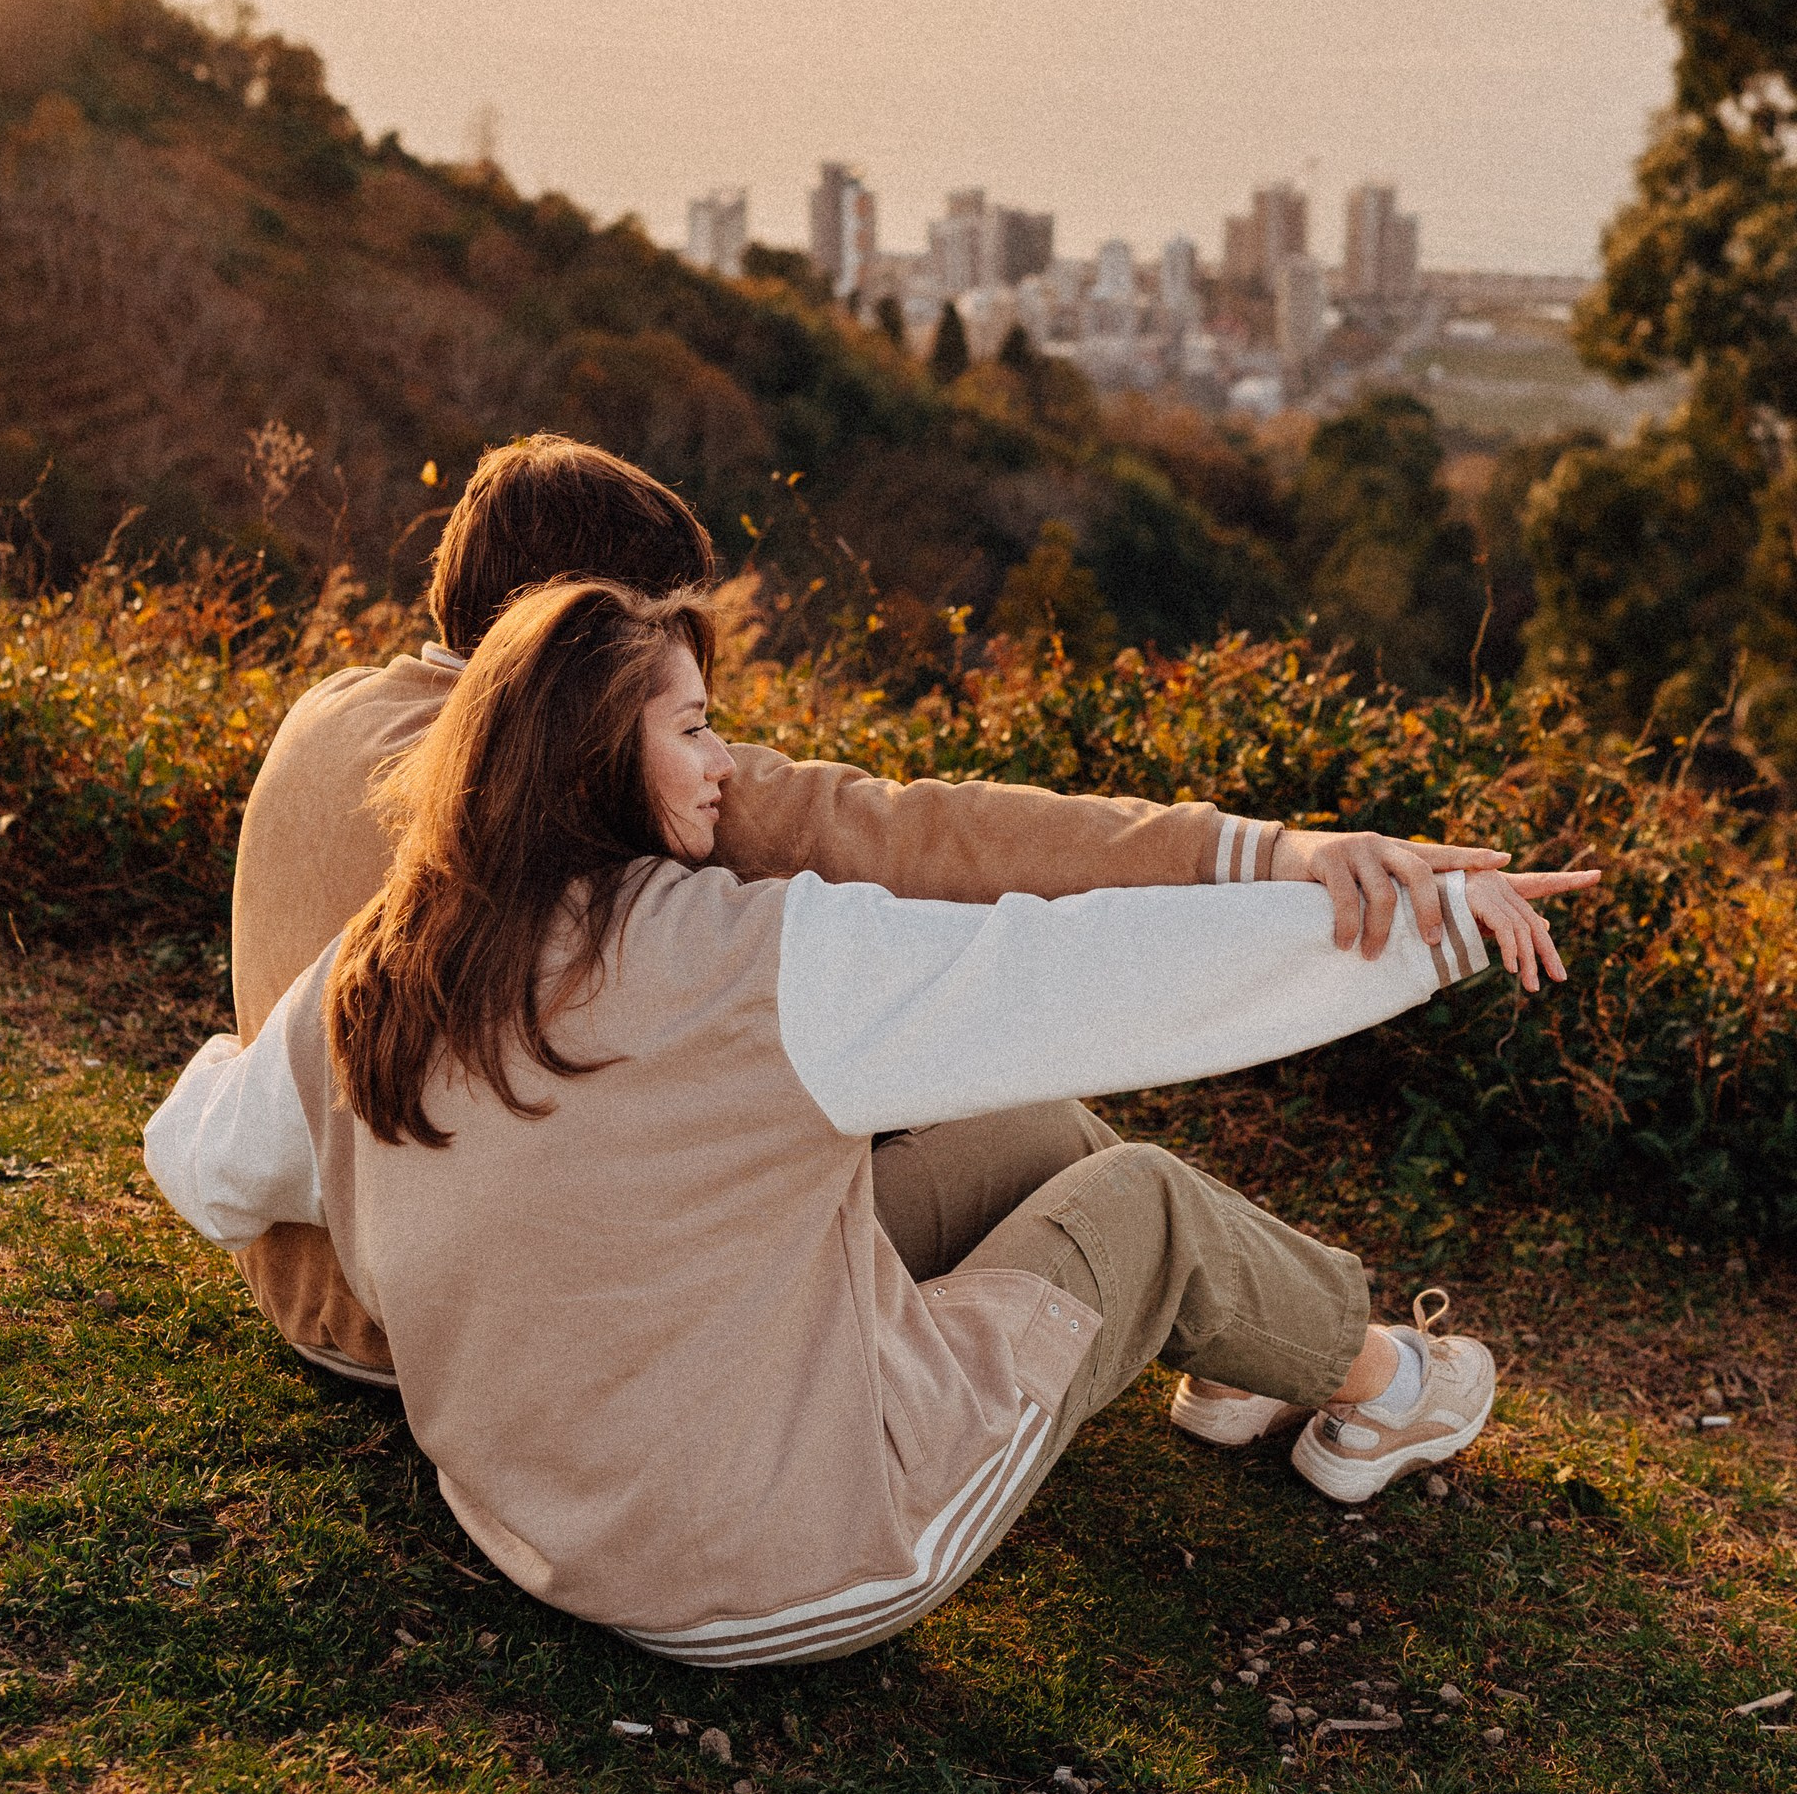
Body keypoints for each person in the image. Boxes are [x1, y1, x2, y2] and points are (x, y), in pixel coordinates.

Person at [149, 578, 1594, 1667]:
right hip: (787, 1561)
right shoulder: (755, 957)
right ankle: (1394, 1385)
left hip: (526, 1515)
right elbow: (1092, 971)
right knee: (1141, 1197)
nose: (725, 767)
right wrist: (1423, 924)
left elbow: (205, 1165)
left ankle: (1248, 1350)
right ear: (596, 752)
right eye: (697, 729)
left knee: (1019, 1129)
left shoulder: (385, 957)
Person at [226, 434, 1530, 1386]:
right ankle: (1340, 1359)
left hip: (315, 1294)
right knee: (1035, 1128)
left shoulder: (322, 718)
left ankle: (1274, 1343)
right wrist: (1270, 853)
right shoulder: (580, 770)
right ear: (582, 639)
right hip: (498, 1332)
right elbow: (923, 832)